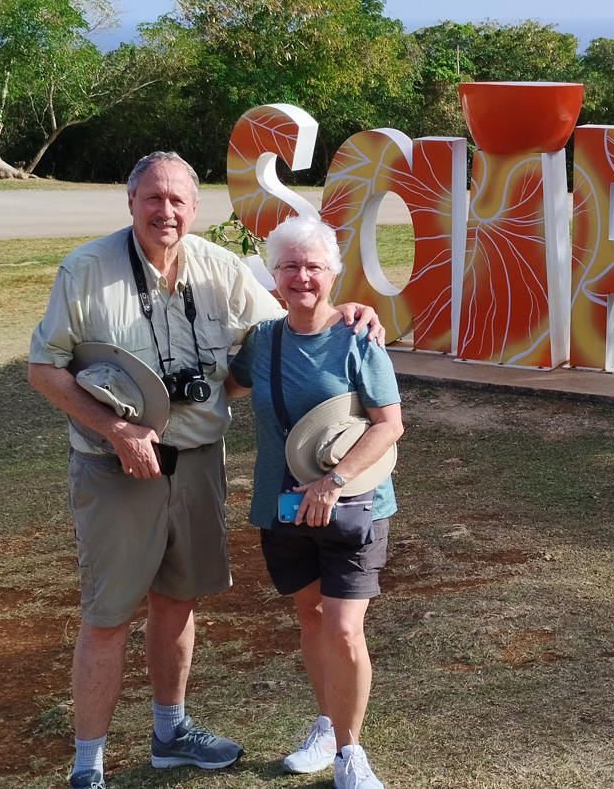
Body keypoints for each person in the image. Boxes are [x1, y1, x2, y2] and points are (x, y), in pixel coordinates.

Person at [26, 152, 381, 789]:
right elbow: (44, 369)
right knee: (107, 617)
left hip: (196, 467)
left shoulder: (219, 267)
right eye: (152, 199)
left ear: (195, 207)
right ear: (130, 203)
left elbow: (291, 333)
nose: (166, 212)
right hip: (114, 470)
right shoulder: (85, 269)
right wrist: (116, 428)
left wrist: (354, 316)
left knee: (178, 602)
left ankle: (170, 732)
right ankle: (88, 766)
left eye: (178, 201)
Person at [226, 214, 404, 789]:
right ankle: (326, 726)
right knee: (310, 618)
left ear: (333, 273)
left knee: (344, 627)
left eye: (313, 266)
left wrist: (333, 480)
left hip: (352, 507)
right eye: (289, 266)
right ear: (272, 275)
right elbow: (227, 386)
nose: (301, 276)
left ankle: (352, 754)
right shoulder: (261, 340)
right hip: (282, 506)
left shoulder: (359, 336)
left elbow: (389, 425)